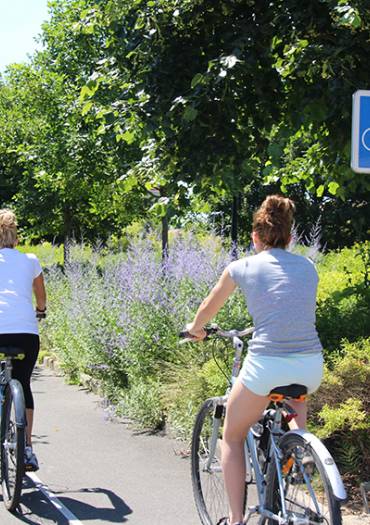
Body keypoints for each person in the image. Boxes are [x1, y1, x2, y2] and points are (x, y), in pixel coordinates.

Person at [186, 195, 323, 525]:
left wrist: (196, 329)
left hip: (267, 364)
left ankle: (235, 519)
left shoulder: (241, 267)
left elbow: (209, 305)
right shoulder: (308, 267)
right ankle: (297, 450)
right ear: (291, 238)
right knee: (293, 398)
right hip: (310, 364)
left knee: (232, 435)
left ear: (255, 237)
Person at [0, 209, 47, 472]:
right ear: (16, 237)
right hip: (25, 333)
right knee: (23, 383)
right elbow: (40, 298)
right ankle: (26, 448)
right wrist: (40, 312)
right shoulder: (30, 260)